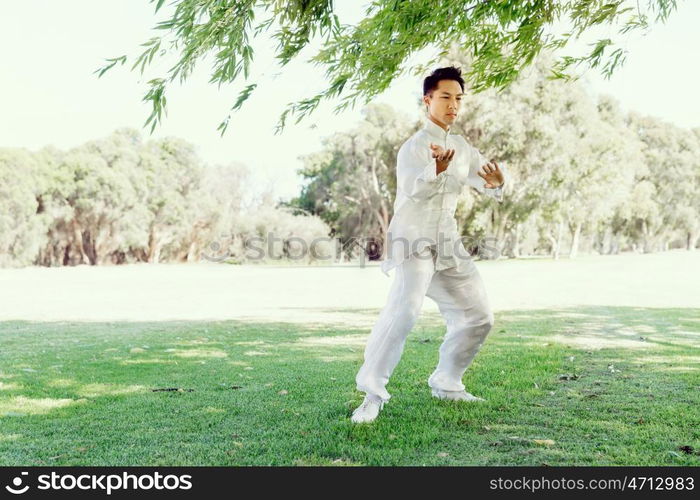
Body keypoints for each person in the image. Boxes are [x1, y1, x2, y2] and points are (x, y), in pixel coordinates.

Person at [351, 66, 510, 424]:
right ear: (427, 100)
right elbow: (412, 189)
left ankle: (447, 381)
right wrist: (436, 168)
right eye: (445, 97)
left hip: (447, 243)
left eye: (458, 99)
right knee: (404, 313)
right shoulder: (413, 147)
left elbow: (485, 181)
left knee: (479, 316)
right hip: (413, 240)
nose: (453, 105)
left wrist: (497, 183)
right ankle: (372, 394)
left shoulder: (463, 147)